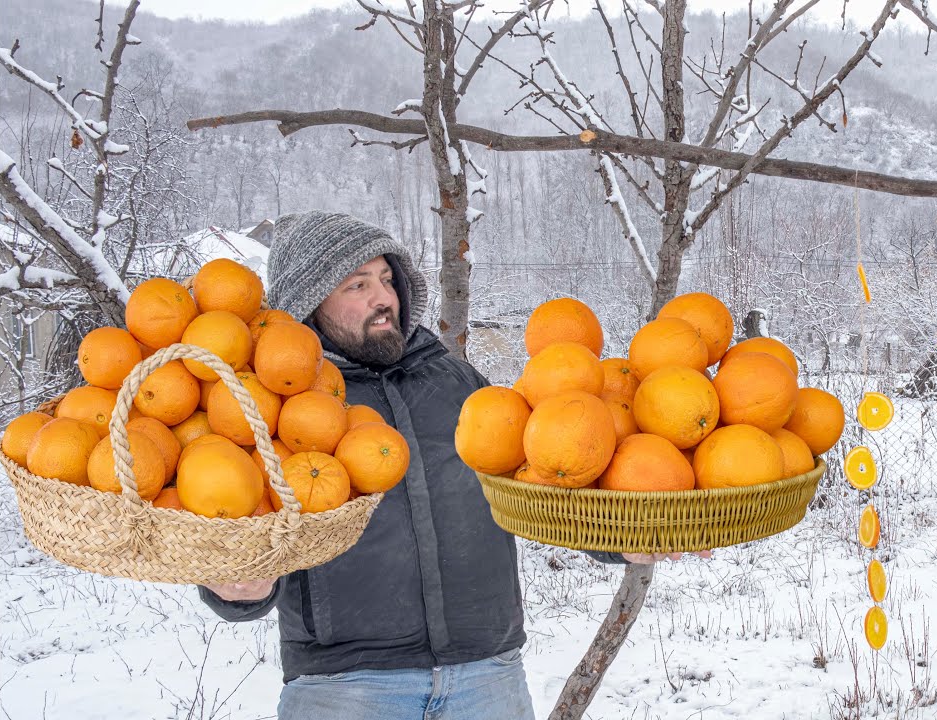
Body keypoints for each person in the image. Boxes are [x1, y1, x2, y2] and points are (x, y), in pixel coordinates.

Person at [197, 211, 692, 720]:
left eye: (387, 279)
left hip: (487, 675)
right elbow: (250, 522)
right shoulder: (281, 408)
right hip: (345, 684)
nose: (383, 298)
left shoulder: (457, 382)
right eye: (357, 285)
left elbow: (537, 482)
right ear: (308, 302)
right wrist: (238, 592)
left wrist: (615, 539)